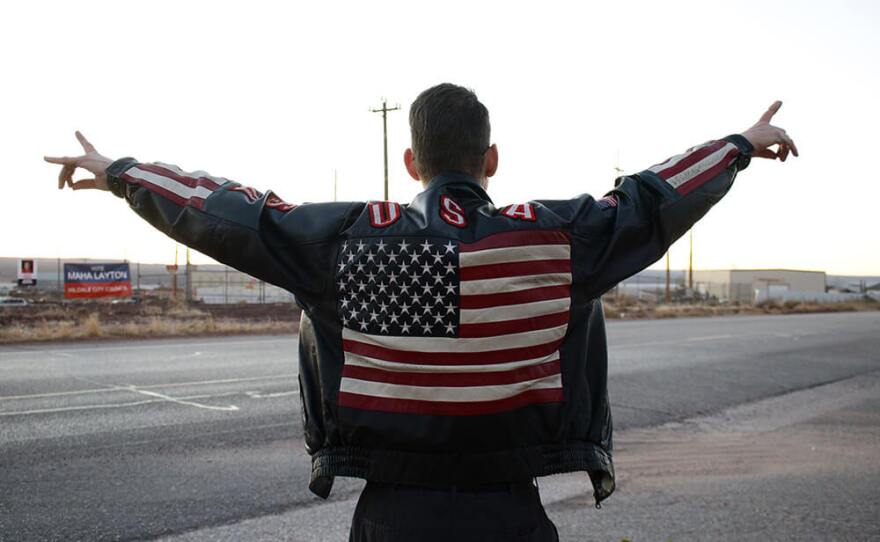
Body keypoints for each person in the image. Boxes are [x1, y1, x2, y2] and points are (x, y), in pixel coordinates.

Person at [45, 83, 797, 541]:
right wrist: (738, 145)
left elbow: (228, 212)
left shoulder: (345, 243)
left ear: (412, 162)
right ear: (490, 159)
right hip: (512, 517)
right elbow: (650, 199)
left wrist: (122, 173)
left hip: (391, 520)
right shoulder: (556, 240)